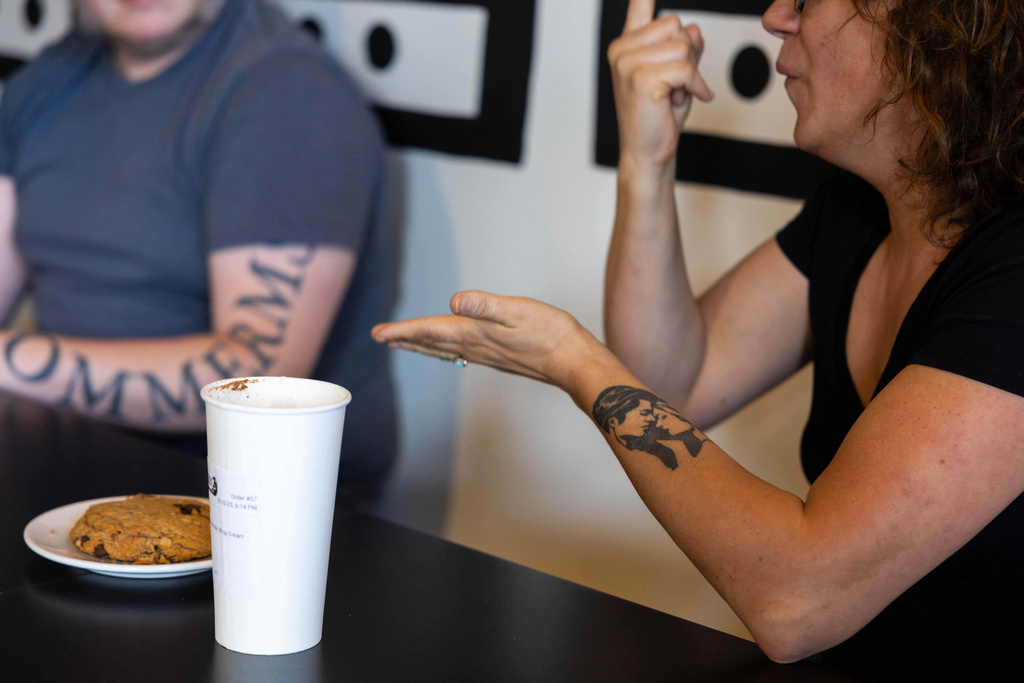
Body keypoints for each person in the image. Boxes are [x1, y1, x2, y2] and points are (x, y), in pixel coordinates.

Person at [372, 0, 1024, 676]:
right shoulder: (861, 210)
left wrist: (576, 361)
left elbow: (798, 597)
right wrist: (645, 155)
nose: (776, 17)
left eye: (807, 1)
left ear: (931, 30)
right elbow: (675, 385)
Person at [0, 0, 398, 505]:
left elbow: (254, 383)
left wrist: (8, 361)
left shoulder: (289, 95)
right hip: (66, 457)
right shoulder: (52, 78)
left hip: (256, 500)